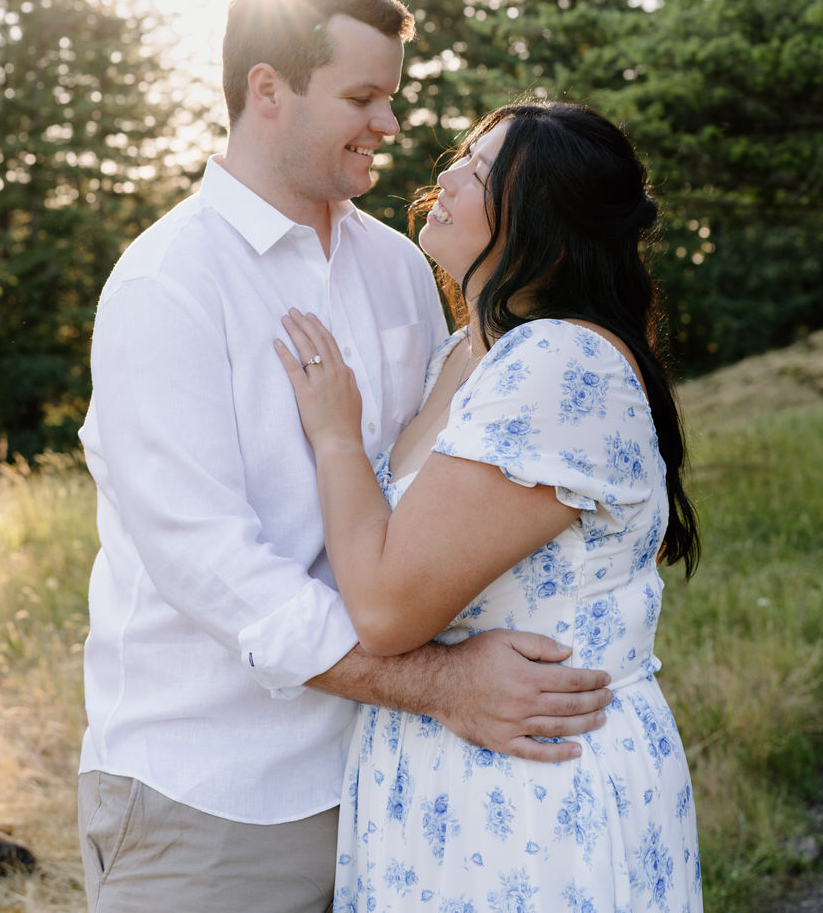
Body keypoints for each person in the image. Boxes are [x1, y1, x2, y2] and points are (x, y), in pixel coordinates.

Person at [77, 0, 613, 913]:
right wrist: (442, 683)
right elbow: (211, 567)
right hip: (218, 800)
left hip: (398, 783)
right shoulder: (170, 285)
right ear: (268, 90)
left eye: (393, 96)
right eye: (363, 96)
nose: (392, 125)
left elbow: (438, 495)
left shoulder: (400, 268)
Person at [276, 100, 703, 912]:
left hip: (534, 796)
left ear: (536, 220)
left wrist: (334, 435)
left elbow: (387, 608)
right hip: (444, 775)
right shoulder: (462, 355)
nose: (443, 175)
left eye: (476, 171)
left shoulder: (555, 359)